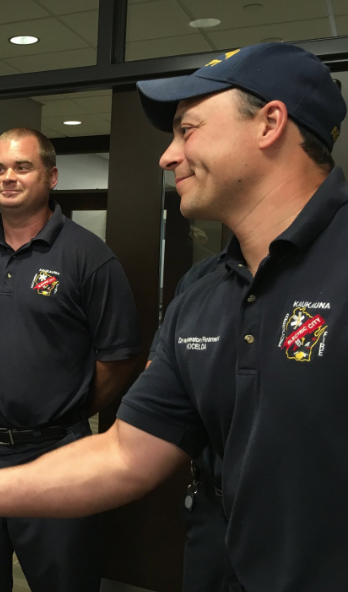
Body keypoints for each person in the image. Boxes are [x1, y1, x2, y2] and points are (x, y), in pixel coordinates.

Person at [0, 43, 348, 592]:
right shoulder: (202, 291)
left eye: (188, 129)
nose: (169, 155)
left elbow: (116, 360)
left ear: (269, 124)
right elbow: (124, 453)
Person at [0, 128, 140, 591]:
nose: (8, 177)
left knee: (64, 579)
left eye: (22, 167)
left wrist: (66, 410)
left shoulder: (89, 257)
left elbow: (120, 357)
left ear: (51, 176)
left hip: (55, 453)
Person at [148, 253, 240, 592]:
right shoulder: (201, 279)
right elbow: (134, 441)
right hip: (212, 511)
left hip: (316, 526)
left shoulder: (342, 260)